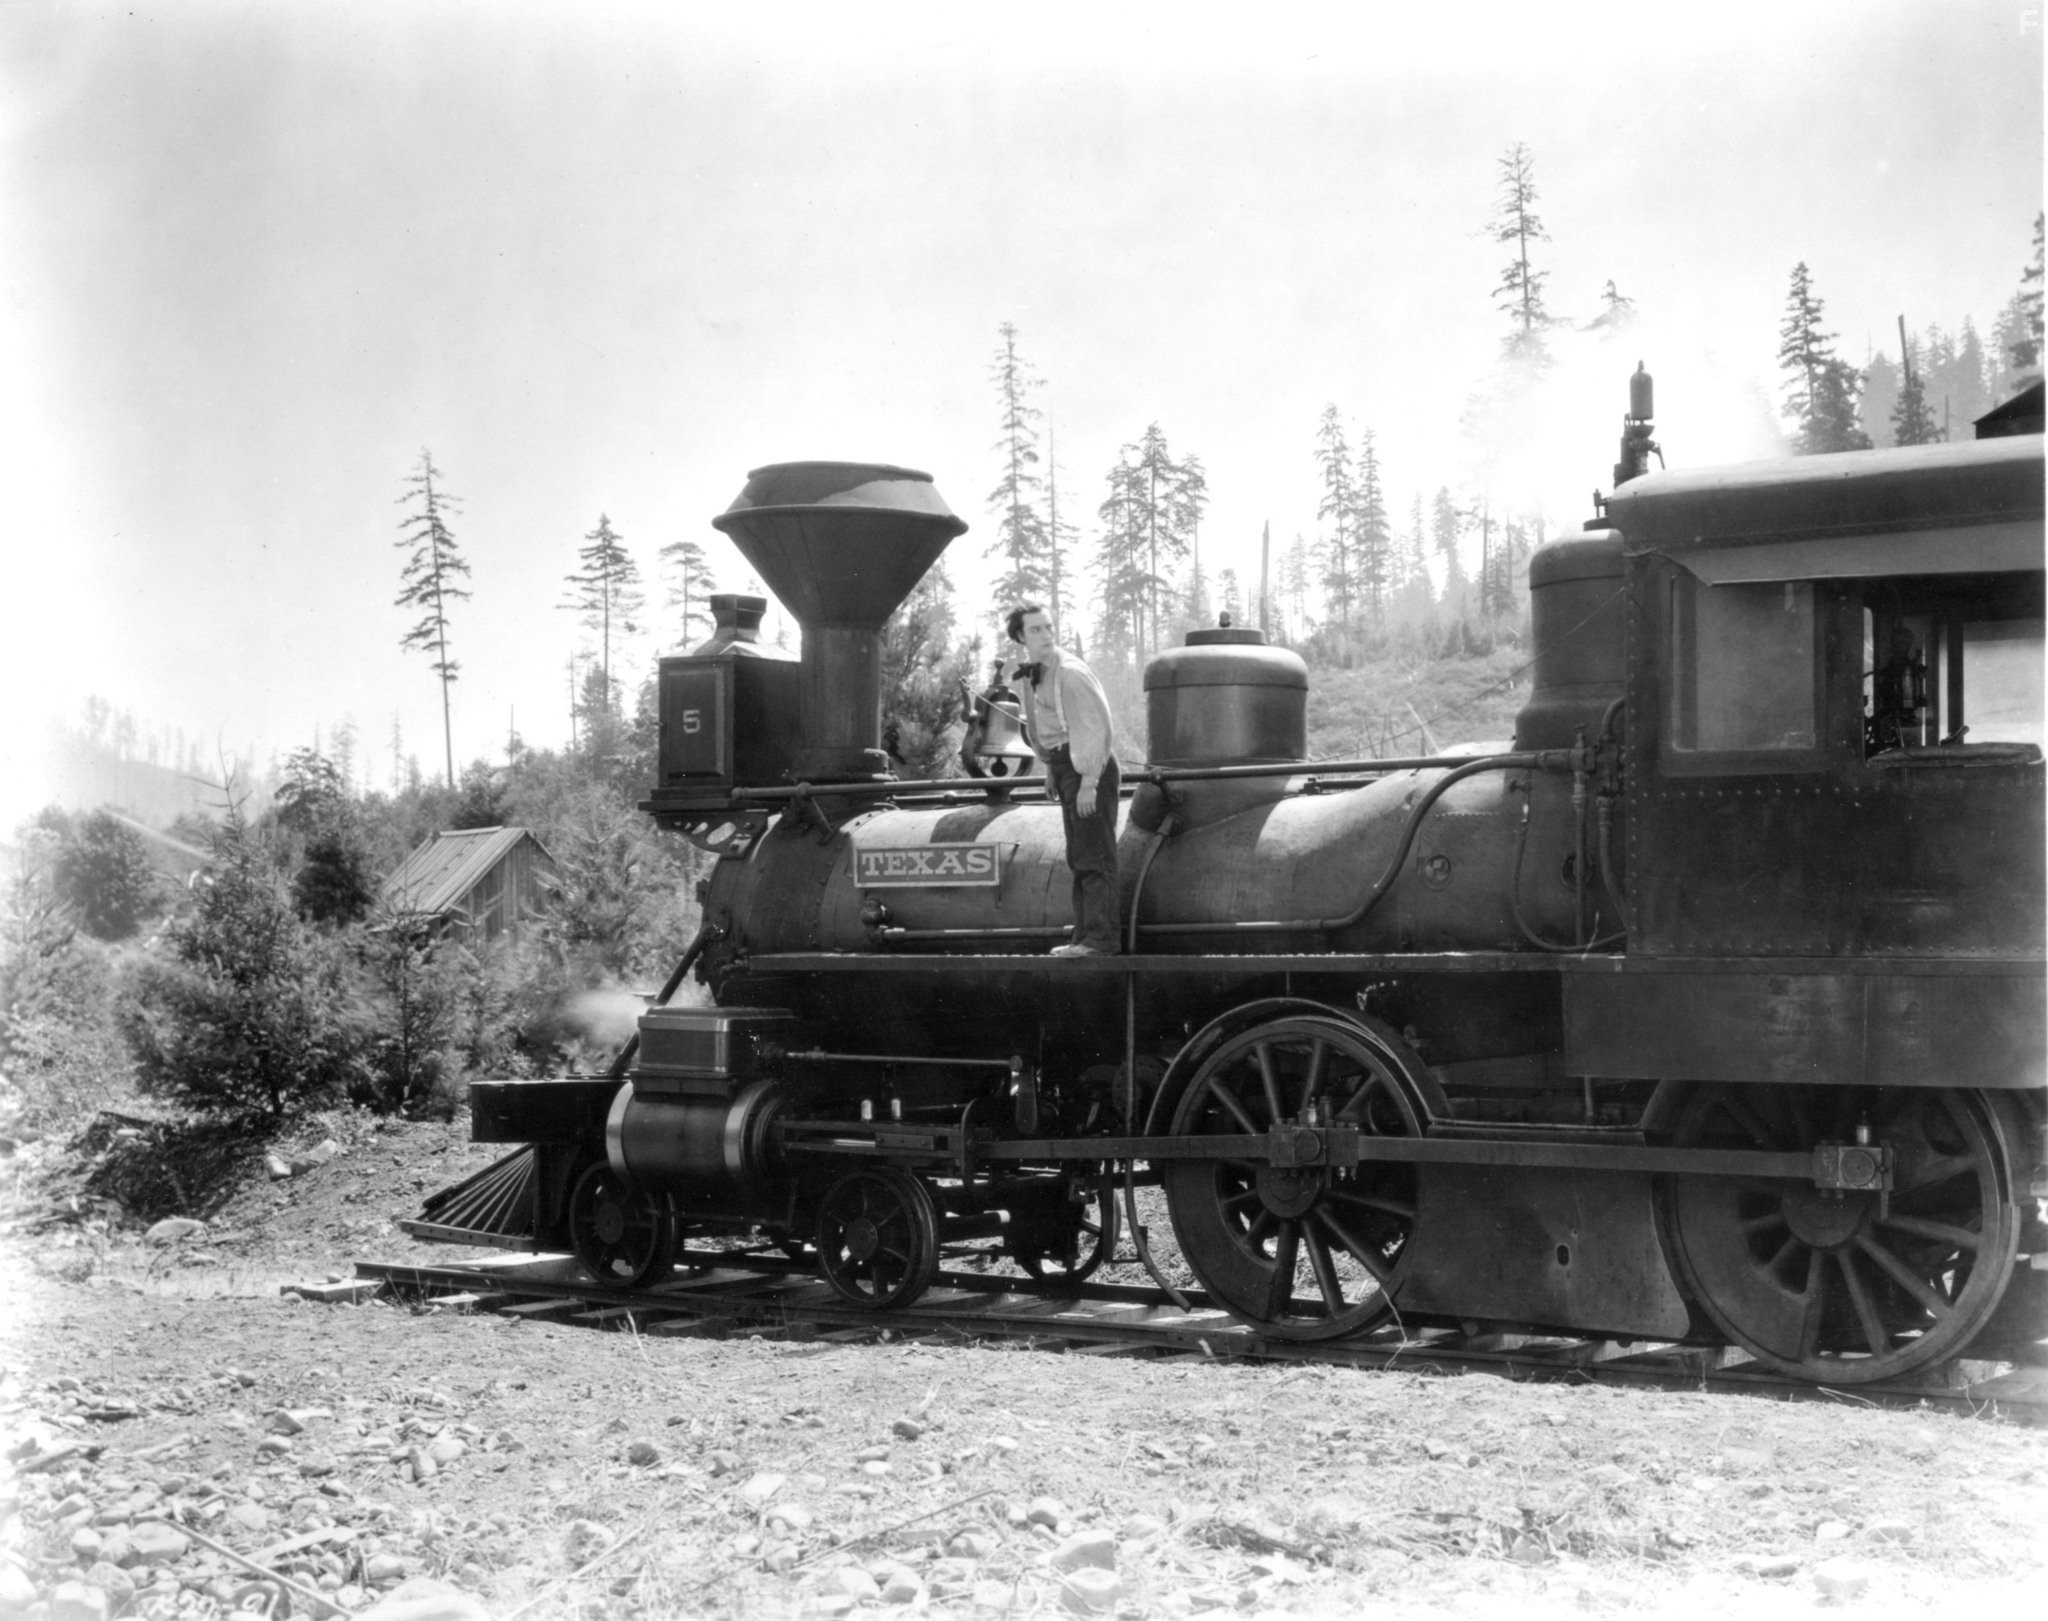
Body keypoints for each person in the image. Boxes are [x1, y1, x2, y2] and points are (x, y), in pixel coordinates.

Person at [1002, 603, 1121, 957]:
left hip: (1089, 766)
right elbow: (1054, 728)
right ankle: (1085, 937)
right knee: (1079, 855)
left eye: (1048, 628)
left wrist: (1088, 781)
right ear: (1020, 636)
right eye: (1035, 630)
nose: (1045, 636)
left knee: (1095, 856)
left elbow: (1095, 727)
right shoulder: (1039, 672)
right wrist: (1053, 769)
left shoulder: (1070, 673)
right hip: (1067, 765)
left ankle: (1101, 941)